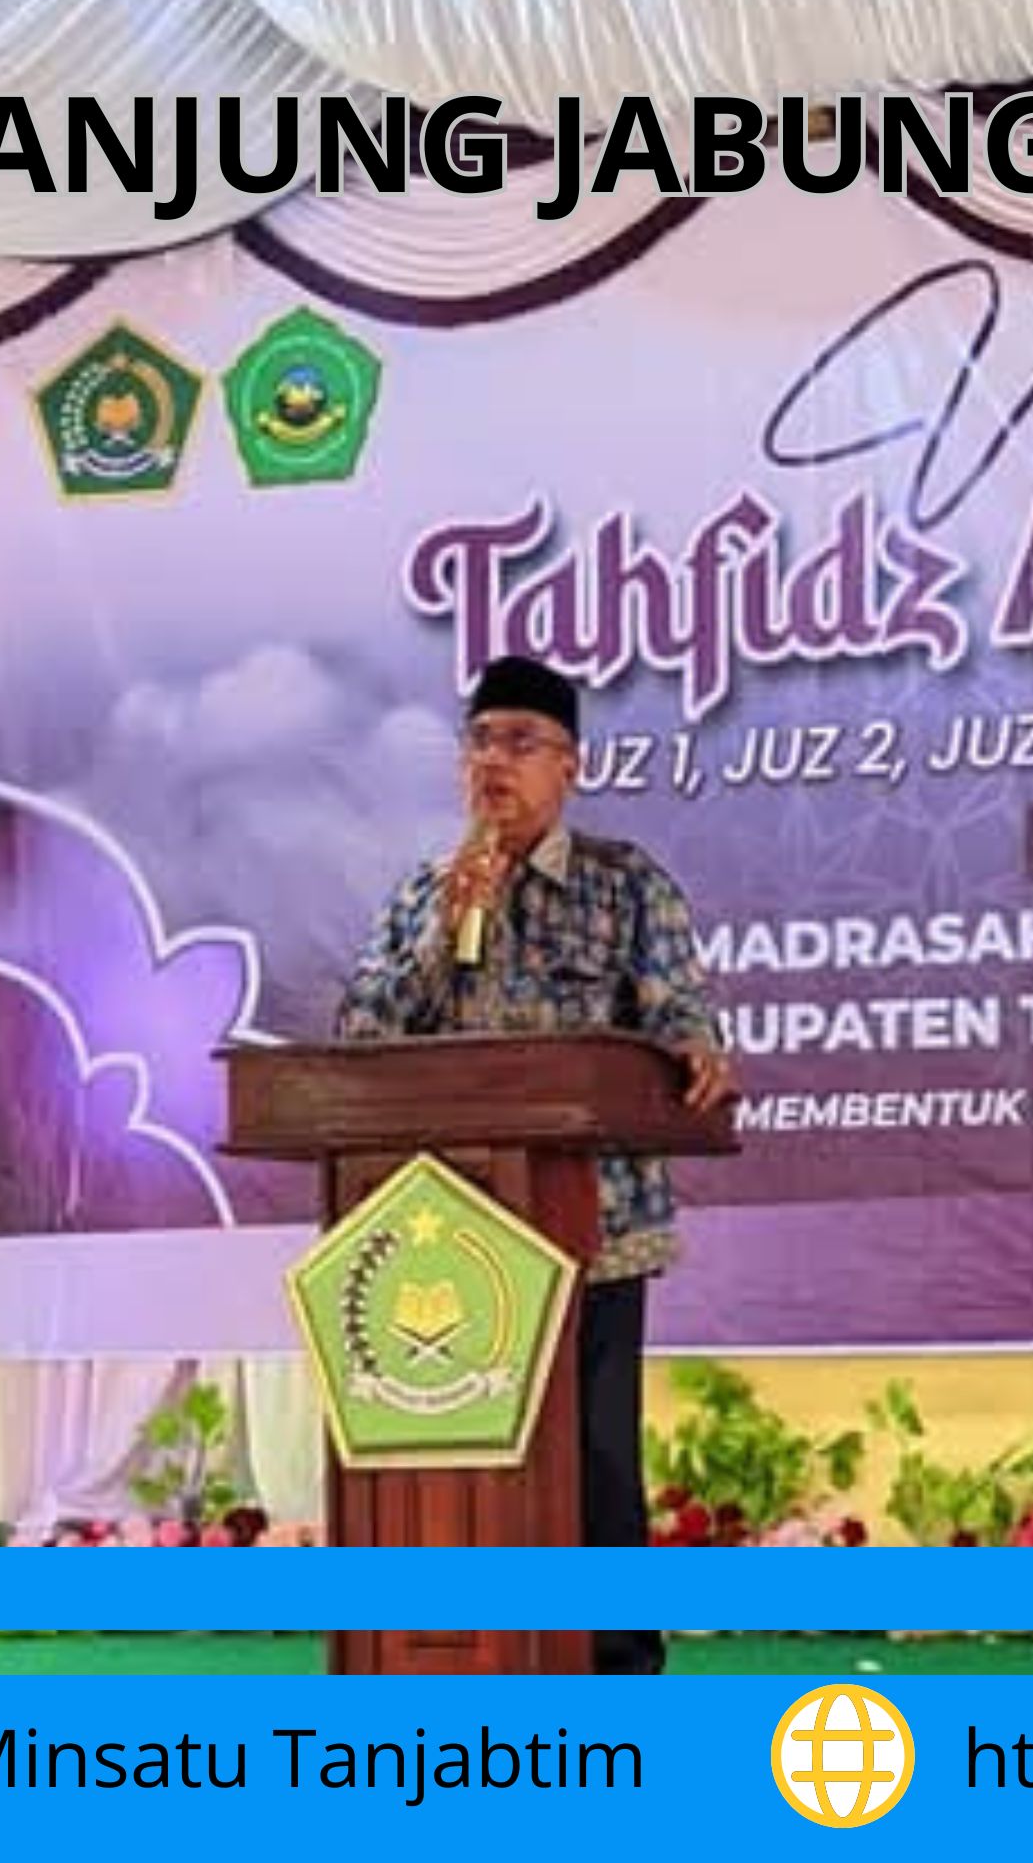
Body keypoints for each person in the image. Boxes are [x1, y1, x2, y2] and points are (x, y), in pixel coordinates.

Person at [334, 656, 732, 1677]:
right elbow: (362, 1037)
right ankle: (458, 1655)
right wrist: (441, 934)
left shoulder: (624, 884)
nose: (494, 763)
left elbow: (680, 1015)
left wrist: (694, 1048)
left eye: (520, 742)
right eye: (480, 742)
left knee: (594, 1456)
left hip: (594, 1227)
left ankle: (617, 1670)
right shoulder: (422, 894)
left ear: (570, 766)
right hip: (447, 1241)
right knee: (458, 1454)